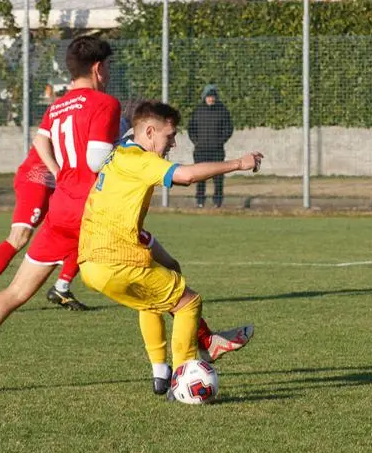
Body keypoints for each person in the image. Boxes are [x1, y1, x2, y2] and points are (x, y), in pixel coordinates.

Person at [0, 35, 122, 393]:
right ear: (98, 68)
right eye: (108, 66)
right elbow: (97, 160)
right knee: (159, 269)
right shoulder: (105, 102)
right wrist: (128, 155)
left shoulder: (57, 106)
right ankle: (202, 341)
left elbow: (42, 140)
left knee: (15, 292)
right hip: (90, 211)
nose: (108, 72)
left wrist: (60, 171)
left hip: (61, 207)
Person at [78, 101, 262, 397]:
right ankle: (185, 376)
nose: (173, 143)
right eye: (170, 136)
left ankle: (161, 373)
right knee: (188, 302)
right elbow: (186, 176)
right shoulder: (141, 161)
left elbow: (133, 228)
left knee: (151, 300)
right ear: (150, 132)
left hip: (90, 263)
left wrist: (167, 258)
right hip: (117, 259)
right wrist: (239, 164)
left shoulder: (121, 153)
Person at [0, 87, 89, 314]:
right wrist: (58, 173)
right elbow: (40, 141)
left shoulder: (87, 111)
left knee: (82, 229)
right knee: (19, 237)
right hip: (37, 178)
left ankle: (62, 287)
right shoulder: (67, 111)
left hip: (59, 184)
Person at [188, 84, 234, 208]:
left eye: (213, 96)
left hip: (217, 150)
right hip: (200, 151)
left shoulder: (222, 110)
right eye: (208, 96)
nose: (211, 99)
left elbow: (228, 129)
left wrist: (220, 141)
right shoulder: (198, 110)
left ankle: (217, 202)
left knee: (218, 177)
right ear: (204, 97)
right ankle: (200, 200)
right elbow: (191, 128)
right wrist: (196, 141)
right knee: (200, 177)